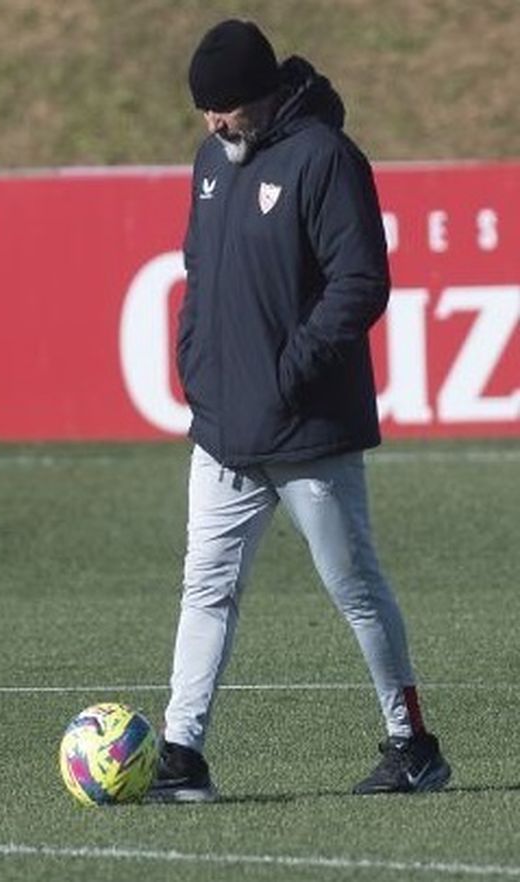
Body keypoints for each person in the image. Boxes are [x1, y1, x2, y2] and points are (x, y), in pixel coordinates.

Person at [151, 19, 452, 802]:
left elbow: (362, 282)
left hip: (307, 429)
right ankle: (182, 755)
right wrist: (196, 363)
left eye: (224, 108)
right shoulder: (211, 161)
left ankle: (413, 744)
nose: (213, 125)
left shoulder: (325, 157)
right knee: (204, 588)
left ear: (262, 94)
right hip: (222, 431)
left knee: (355, 589)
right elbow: (197, 272)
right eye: (204, 110)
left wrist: (289, 374)